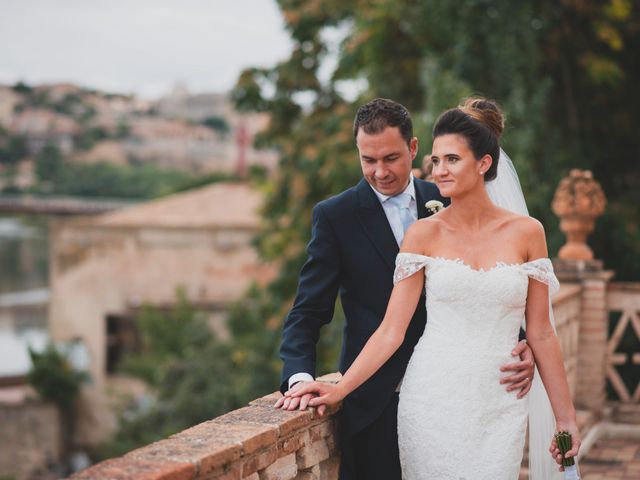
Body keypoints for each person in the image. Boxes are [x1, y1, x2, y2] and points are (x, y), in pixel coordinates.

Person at [286, 98, 581, 479]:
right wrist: (337, 389)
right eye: (438, 160)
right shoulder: (421, 233)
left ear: (484, 163)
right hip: (429, 397)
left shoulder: (528, 232)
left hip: (498, 401)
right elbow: (390, 330)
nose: (440, 170)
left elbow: (541, 330)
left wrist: (565, 417)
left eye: (452, 160)